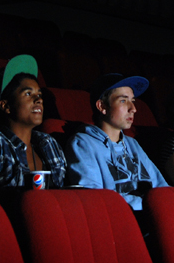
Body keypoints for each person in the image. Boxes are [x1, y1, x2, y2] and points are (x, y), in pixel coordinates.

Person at [65, 73, 168, 210]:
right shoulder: (83, 144)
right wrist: (149, 204)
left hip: (152, 216)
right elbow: (94, 198)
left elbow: (162, 189)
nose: (133, 109)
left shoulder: (132, 144)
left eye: (133, 100)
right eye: (123, 101)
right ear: (102, 106)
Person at [0, 54, 66, 190]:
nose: (39, 100)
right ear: (6, 106)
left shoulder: (49, 143)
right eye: (28, 94)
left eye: (39, 94)